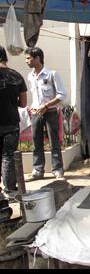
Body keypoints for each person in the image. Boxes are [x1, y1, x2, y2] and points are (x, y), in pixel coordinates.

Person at [25, 47, 67, 181]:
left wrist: (46, 105)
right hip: (36, 112)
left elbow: (62, 94)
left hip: (51, 112)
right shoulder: (30, 76)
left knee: (54, 141)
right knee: (36, 142)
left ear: (38, 58)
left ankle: (57, 170)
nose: (27, 61)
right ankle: (38, 170)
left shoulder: (51, 74)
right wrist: (34, 108)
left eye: (28, 58)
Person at [0, 46, 27, 196]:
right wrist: (11, 102)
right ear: (5, 57)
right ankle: (10, 190)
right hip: (10, 122)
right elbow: (23, 103)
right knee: (8, 156)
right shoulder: (16, 76)